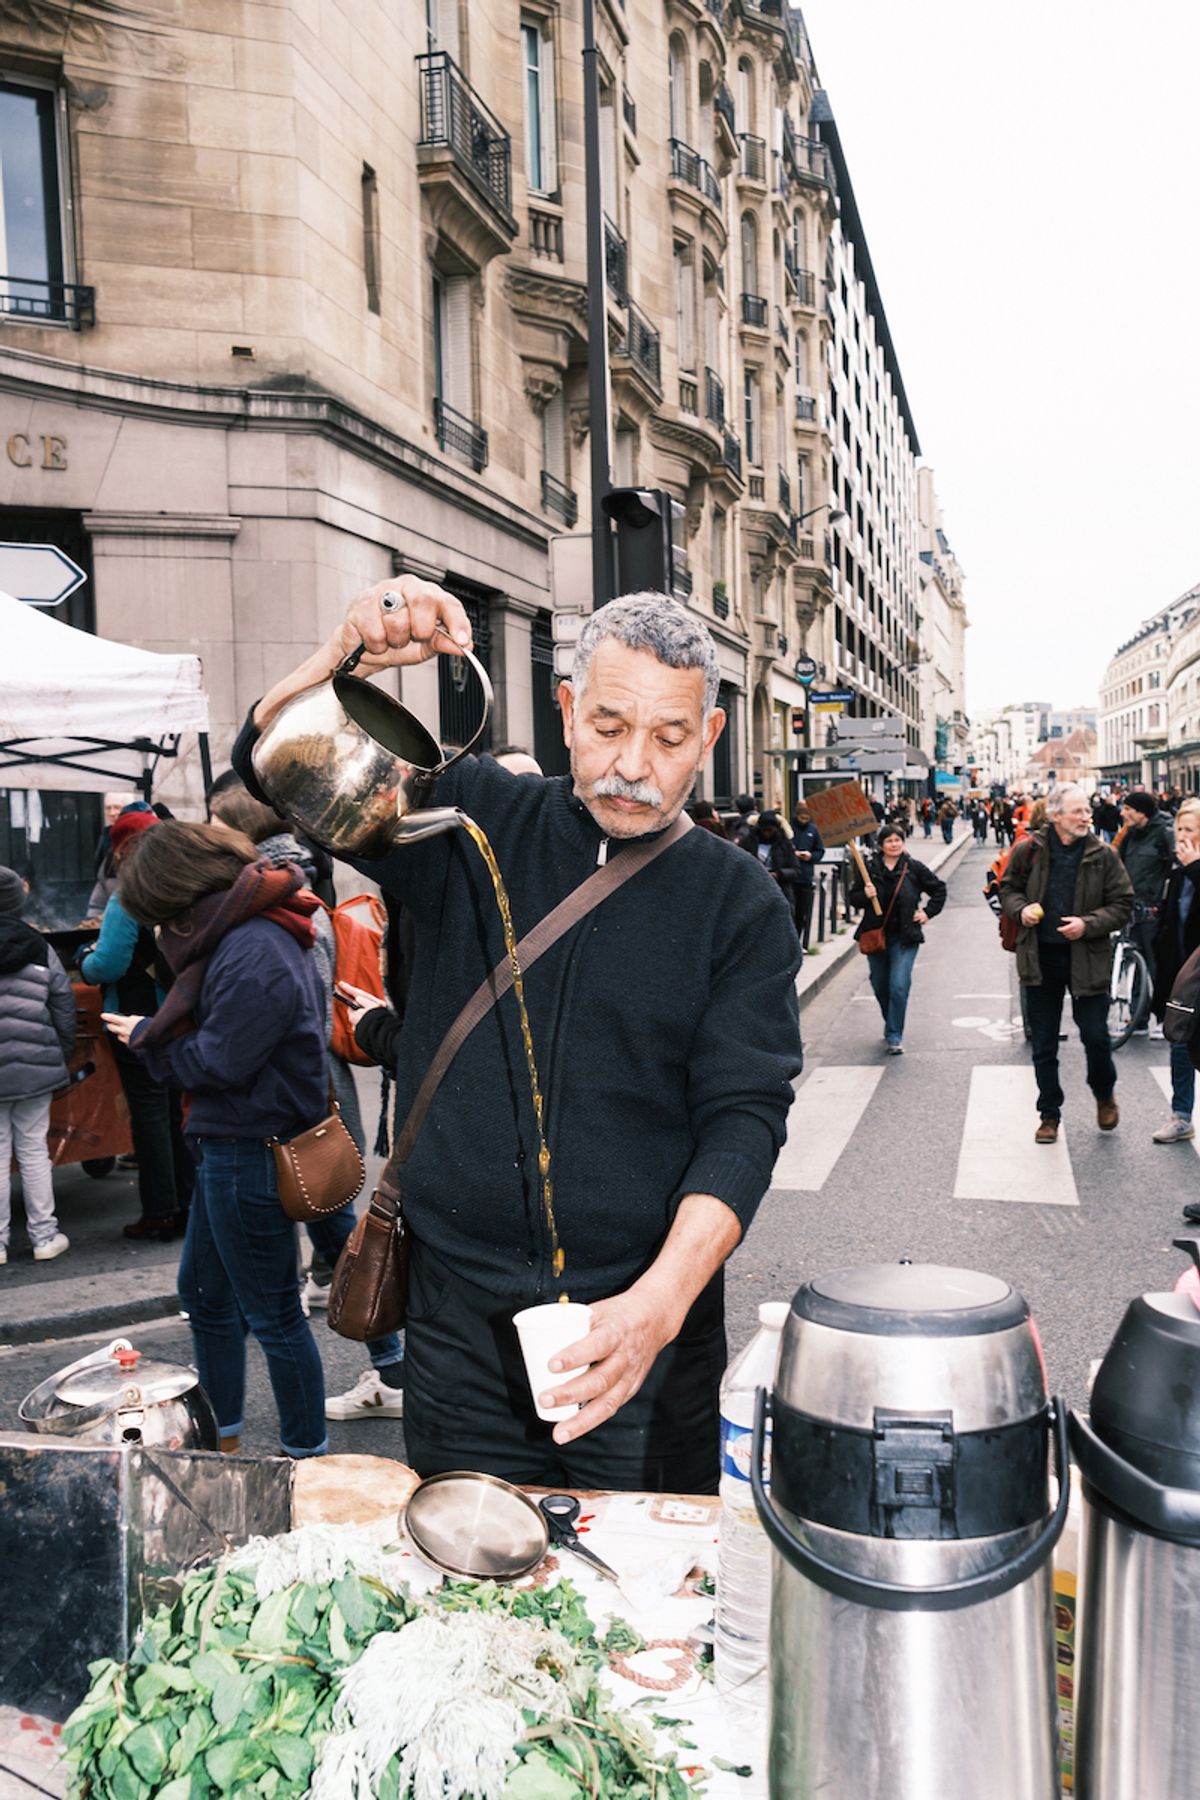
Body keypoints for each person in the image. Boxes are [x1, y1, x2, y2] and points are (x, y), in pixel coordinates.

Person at [233, 581, 804, 1493]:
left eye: (667, 738)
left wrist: (657, 1309)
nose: (634, 766)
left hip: (645, 1339)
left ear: (709, 736)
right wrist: (347, 655)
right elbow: (271, 765)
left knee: (641, 1604)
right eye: (610, 726)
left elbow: (744, 1122)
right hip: (457, 1328)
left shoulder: (740, 903)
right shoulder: (470, 819)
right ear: (568, 712)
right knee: (468, 1583)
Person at [101, 822, 331, 1459]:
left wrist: (149, 1035)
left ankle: (304, 1458)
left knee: (275, 1317)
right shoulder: (244, 932)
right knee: (205, 1296)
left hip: (248, 1146)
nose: (161, 929)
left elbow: (218, 1063)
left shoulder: (250, 947)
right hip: (233, 1144)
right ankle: (221, 1440)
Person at [207, 774, 406, 1421]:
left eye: (217, 820)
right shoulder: (288, 886)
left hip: (296, 1102)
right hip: (307, 1097)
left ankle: (384, 1375)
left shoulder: (282, 898)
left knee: (337, 1238)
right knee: (338, 1234)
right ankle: (393, 1368)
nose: (210, 832)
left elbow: (296, 1013)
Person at [78, 808, 193, 1241]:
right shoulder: (182, 885)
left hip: (136, 1018)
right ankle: (187, 1202)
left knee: (150, 1115)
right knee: (178, 1110)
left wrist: (84, 961)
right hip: (180, 1013)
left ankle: (161, 1211)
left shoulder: (127, 895)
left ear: (124, 850)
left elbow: (109, 963)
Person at [1000, 783, 1134, 1145]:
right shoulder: (1030, 850)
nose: (1085, 817)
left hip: (1086, 956)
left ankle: (1104, 1093)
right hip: (1040, 957)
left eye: (1087, 811)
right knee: (1044, 1043)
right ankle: (1049, 1114)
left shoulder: (1103, 855)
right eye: (1078, 811)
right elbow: (1007, 888)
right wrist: (1021, 909)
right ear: (1056, 815)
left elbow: (1123, 904)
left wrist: (1087, 925)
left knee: (1095, 1036)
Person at [0, 865, 76, 1264]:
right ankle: (45, 1237)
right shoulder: (38, 945)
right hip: (35, 1068)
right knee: (33, 1151)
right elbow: (63, 1004)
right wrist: (59, 1054)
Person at [847, 823, 947, 1054]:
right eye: (889, 841)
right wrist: (865, 894)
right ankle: (891, 1019)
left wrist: (926, 912)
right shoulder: (869, 869)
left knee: (899, 986)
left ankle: (894, 1035)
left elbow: (939, 889)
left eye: (898, 840)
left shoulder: (913, 868)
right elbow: (853, 898)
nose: (895, 844)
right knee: (880, 985)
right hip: (876, 936)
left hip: (905, 937)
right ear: (881, 845)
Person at [1151, 800, 1200, 1149]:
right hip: (1183, 978)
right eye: (1178, 830)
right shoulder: (1178, 870)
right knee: (1179, 1044)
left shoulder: (1192, 869)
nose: (1181, 838)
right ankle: (1181, 1116)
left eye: (1189, 831)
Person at [1117, 789, 1175, 1004]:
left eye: (1128, 809)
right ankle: (1137, 1019)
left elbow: (1176, 868)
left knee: (1156, 964)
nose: (1123, 813)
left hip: (1154, 910)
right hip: (1132, 907)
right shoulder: (1129, 834)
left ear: (1142, 813)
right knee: (1134, 961)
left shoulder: (1165, 831)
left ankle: (1163, 1016)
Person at [788, 801, 825, 948]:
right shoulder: (789, 829)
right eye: (801, 818)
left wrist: (811, 856)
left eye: (806, 819)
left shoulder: (813, 830)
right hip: (790, 877)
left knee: (802, 913)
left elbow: (820, 851)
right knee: (790, 912)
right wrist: (792, 853)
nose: (803, 821)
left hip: (805, 875)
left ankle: (798, 942)